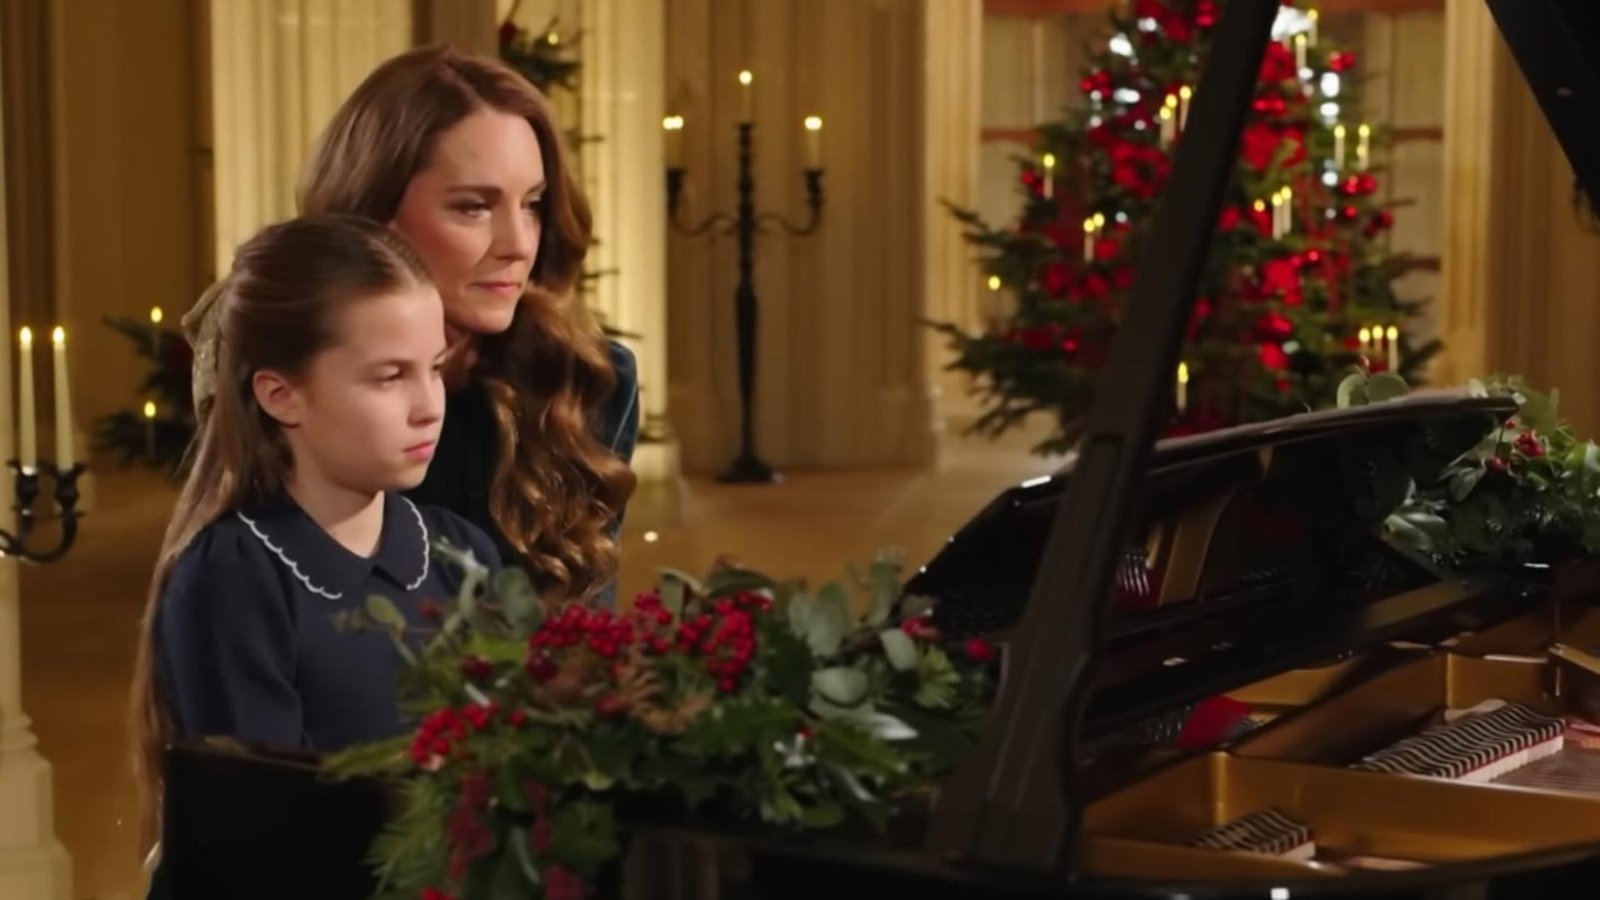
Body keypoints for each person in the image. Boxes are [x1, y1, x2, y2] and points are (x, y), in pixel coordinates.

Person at [183, 43, 639, 608]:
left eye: (533, 204)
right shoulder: (285, 358)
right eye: (473, 206)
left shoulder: (586, 379)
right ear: (376, 211)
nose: (519, 244)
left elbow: (585, 631)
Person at [130, 215, 503, 886]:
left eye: (435, 368)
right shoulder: (237, 577)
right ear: (282, 395)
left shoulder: (462, 553)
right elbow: (273, 847)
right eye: (389, 377)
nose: (429, 406)